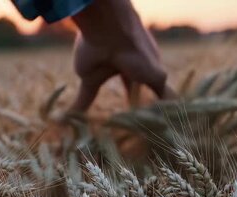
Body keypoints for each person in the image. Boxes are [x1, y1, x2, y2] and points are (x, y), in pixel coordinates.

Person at [12, 0, 176, 118]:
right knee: (174, 106)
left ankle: (61, 144)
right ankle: (188, 139)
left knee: (76, 112)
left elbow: (29, 10)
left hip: (90, 49)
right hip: (131, 53)